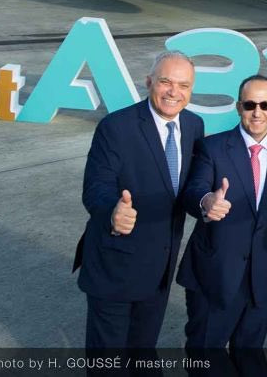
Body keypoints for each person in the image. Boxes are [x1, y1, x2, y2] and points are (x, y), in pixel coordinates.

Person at [73, 51, 205, 349]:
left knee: (142, 350)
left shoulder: (194, 126)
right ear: (149, 82)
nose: (174, 92)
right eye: (166, 82)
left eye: (183, 85)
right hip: (115, 264)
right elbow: (96, 187)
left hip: (160, 267)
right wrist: (112, 212)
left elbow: (189, 188)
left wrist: (206, 201)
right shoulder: (116, 127)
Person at [177, 74, 267, 349]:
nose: (257, 112)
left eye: (265, 105)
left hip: (265, 278)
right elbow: (194, 189)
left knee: (248, 353)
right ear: (238, 107)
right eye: (249, 105)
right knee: (205, 354)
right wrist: (207, 201)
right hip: (215, 275)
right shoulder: (212, 147)